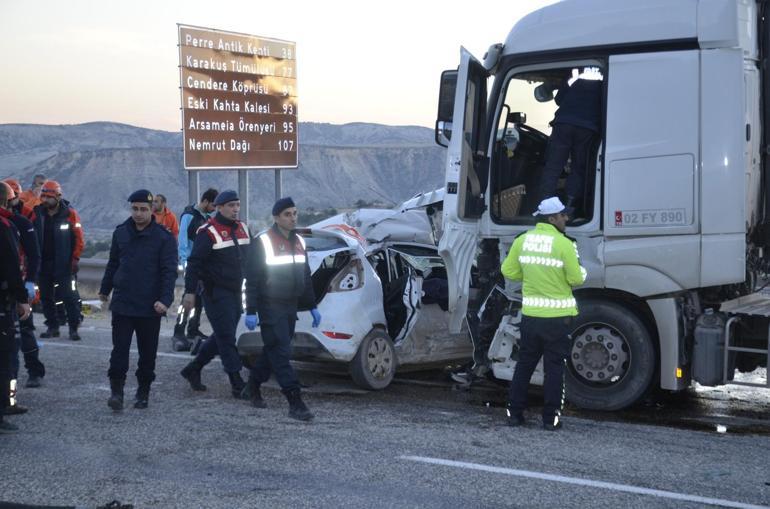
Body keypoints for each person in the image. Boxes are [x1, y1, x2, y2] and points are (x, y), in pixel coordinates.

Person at [500, 197, 586, 430]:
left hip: (531, 317)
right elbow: (576, 279)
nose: (566, 218)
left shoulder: (523, 240)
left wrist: (531, 276)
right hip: (558, 320)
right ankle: (551, 419)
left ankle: (514, 415)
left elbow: (508, 270)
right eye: (563, 215)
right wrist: (583, 272)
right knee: (554, 369)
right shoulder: (564, 244)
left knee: (524, 365)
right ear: (552, 218)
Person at [243, 197, 321, 422]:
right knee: (281, 353)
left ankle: (252, 386)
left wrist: (312, 306)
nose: (293, 218)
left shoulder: (299, 241)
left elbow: (305, 275)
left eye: (295, 213)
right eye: (287, 214)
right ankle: (295, 401)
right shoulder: (263, 241)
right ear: (276, 217)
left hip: (290, 306)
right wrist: (251, 310)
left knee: (273, 350)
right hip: (270, 305)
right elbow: (253, 279)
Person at [99, 190, 177, 410]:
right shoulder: (121, 233)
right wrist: (105, 290)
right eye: (135, 208)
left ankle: (143, 392)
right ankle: (117, 393)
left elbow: (169, 271)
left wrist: (165, 300)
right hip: (123, 303)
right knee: (119, 351)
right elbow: (113, 263)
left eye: (143, 209)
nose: (139, 213)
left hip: (150, 306)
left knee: (147, 354)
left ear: (152, 209)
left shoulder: (163, 237)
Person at [179, 190, 251, 399]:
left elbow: (252, 259)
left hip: (237, 291)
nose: (235, 209)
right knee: (227, 336)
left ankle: (194, 368)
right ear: (218, 207)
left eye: (237, 205)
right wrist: (190, 292)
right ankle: (237, 383)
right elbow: (194, 263)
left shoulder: (243, 228)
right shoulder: (208, 231)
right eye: (230, 205)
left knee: (223, 332)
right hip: (214, 292)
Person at [535, 69, 602, 210]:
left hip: (563, 125)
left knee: (553, 167)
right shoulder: (602, 88)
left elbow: (559, 100)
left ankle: (546, 205)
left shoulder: (577, 82)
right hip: (587, 129)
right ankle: (570, 206)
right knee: (578, 168)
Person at [1, 181, 45, 395]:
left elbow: (34, 254)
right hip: (11, 285)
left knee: (24, 332)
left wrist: (29, 283)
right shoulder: (9, 221)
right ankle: (9, 394)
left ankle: (34, 370)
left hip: (19, 283)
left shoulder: (22, 221)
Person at [32, 180, 84, 341]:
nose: (45, 200)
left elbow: (79, 238)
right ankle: (52, 327)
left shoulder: (70, 214)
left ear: (58, 197)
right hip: (44, 263)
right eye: (44, 196)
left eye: (49, 196)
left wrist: (75, 258)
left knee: (69, 297)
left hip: (64, 264)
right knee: (46, 297)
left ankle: (73, 328)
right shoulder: (37, 213)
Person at [0, 181, 32, 432]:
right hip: (3, 303)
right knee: (6, 357)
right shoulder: (6, 226)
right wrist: (22, 298)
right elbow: (12, 266)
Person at [173, 188, 218, 352]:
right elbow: (183, 240)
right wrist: (185, 263)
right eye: (213, 205)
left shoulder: (206, 218)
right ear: (205, 201)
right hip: (191, 265)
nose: (214, 209)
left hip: (203, 267)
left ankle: (193, 330)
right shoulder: (189, 216)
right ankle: (179, 331)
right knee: (188, 298)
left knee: (199, 300)